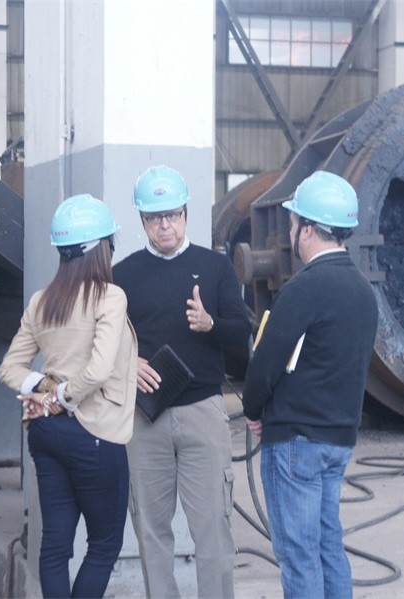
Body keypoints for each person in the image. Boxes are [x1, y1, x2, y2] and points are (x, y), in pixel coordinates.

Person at [112, 165, 251, 599]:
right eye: (155, 217)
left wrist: (211, 324)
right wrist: (127, 362)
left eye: (172, 214)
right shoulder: (122, 276)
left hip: (202, 413)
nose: (165, 225)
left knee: (213, 531)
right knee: (151, 533)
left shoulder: (215, 267)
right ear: (142, 221)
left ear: (186, 214)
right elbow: (103, 343)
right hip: (145, 420)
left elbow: (241, 332)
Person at [241, 170, 379, 599]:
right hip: (339, 440)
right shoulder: (364, 292)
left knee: (299, 556)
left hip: (296, 441)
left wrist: (252, 409)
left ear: (307, 229)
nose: (291, 232)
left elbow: (266, 363)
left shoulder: (304, 288)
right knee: (327, 547)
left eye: (293, 222)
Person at [0, 194, 138, 599]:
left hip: (46, 433)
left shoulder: (42, 300)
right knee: (104, 544)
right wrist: (62, 395)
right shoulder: (109, 297)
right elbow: (98, 370)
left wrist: (45, 393)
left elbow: (10, 368)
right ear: (100, 249)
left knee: (56, 546)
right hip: (95, 435)